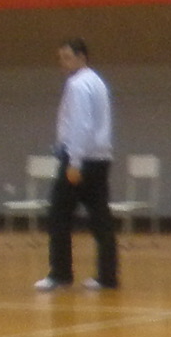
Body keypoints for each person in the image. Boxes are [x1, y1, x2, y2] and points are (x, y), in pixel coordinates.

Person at [36, 38, 118, 293]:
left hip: (80, 161)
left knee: (59, 216)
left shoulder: (77, 84)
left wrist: (74, 162)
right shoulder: (97, 82)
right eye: (61, 58)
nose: (63, 63)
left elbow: (81, 125)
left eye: (68, 57)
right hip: (100, 159)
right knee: (100, 219)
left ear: (82, 57)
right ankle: (108, 276)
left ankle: (60, 274)